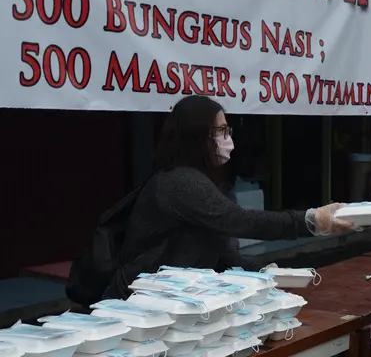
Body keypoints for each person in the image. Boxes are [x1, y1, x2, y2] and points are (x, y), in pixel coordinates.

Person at [104, 95, 353, 299]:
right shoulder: (179, 182)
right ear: (197, 136)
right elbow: (240, 221)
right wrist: (311, 220)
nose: (228, 140)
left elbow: (220, 248)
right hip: (137, 304)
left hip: (170, 299)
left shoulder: (197, 179)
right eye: (221, 131)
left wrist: (262, 271)